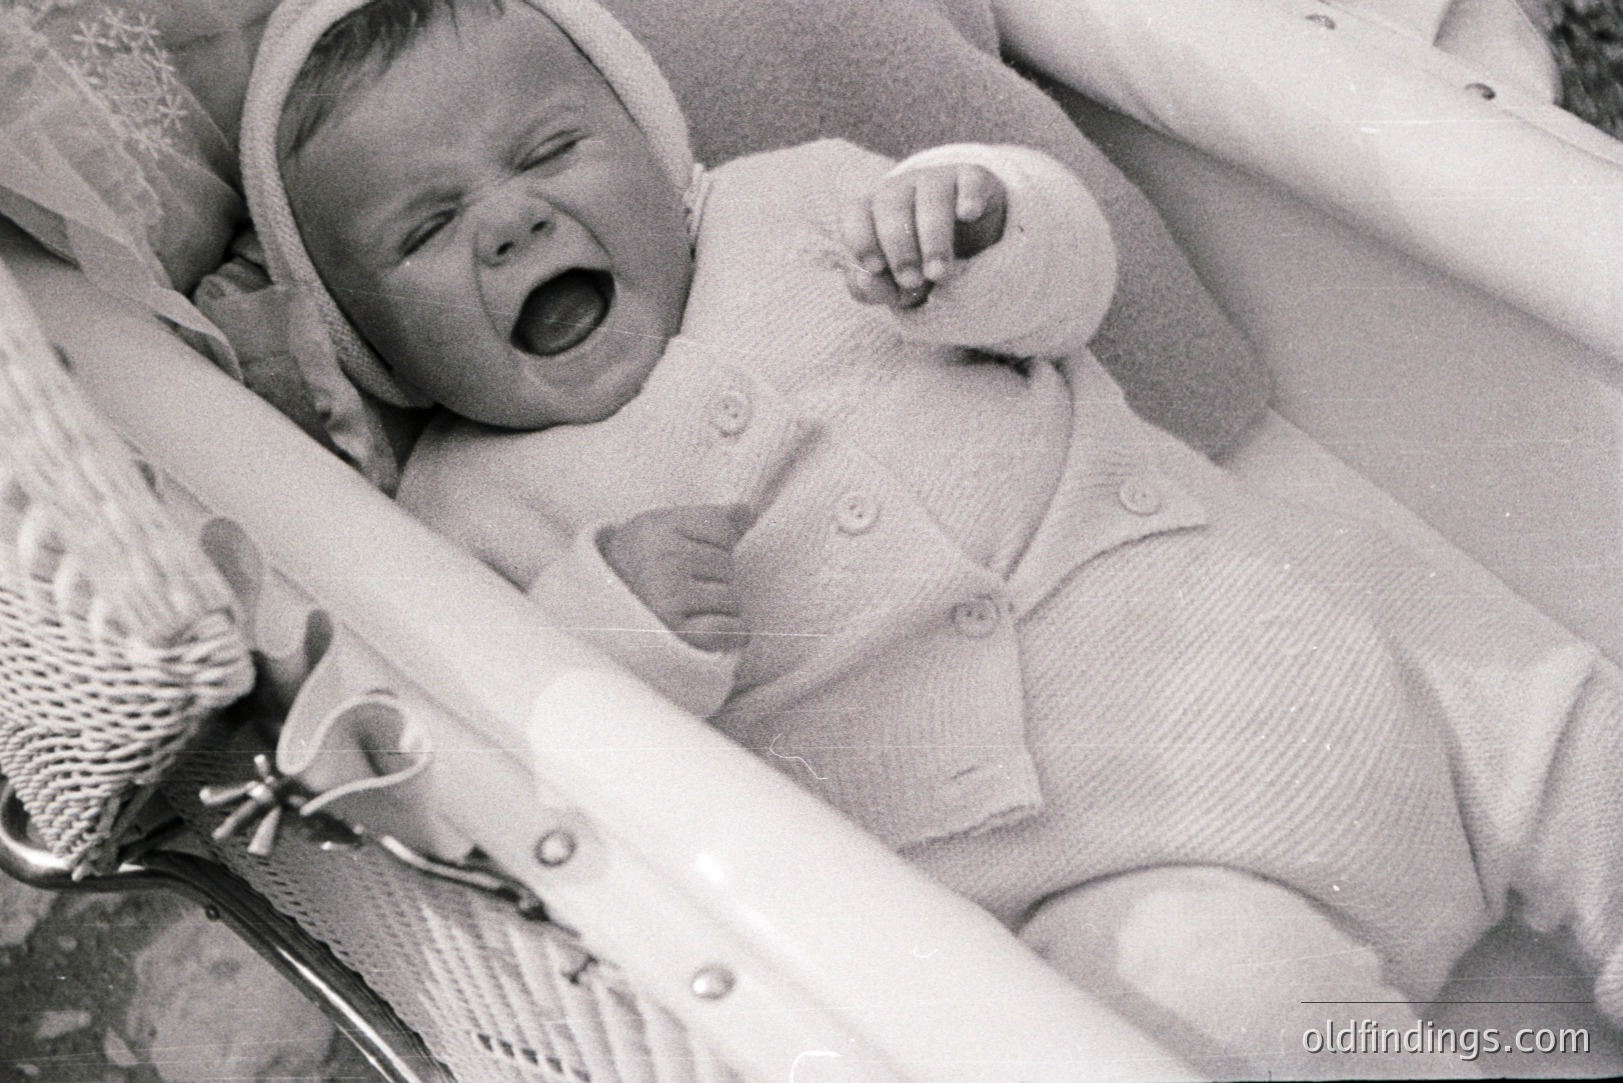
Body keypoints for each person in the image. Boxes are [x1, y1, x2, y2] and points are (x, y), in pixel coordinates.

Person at [242, 0, 1623, 1073]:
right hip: (1113, 870)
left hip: (1331, 661)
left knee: (1586, 744)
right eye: (427, 228)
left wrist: (984, 223)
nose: (512, 218)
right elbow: (533, 758)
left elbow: (1068, 291)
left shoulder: (803, 202)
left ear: (659, 150)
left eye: (549, 150)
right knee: (1234, 1007)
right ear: (367, 349)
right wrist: (609, 626)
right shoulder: (462, 509)